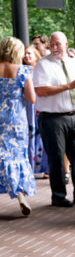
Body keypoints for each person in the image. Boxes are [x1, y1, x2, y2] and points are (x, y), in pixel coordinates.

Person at [32, 31, 75, 208]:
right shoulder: (42, 65)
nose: (54, 48)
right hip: (52, 118)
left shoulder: (73, 62)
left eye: (58, 44)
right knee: (57, 159)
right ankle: (58, 196)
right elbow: (41, 91)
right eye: (52, 45)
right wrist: (68, 86)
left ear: (66, 44)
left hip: (74, 116)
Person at [0, 36, 37, 216]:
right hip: (16, 120)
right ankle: (20, 193)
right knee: (17, 155)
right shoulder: (23, 71)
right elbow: (31, 98)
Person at [21, 44, 49, 178]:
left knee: (43, 137)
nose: (26, 56)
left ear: (35, 55)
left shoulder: (41, 69)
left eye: (29, 53)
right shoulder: (21, 71)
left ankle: (46, 168)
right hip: (27, 107)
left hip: (40, 105)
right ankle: (30, 167)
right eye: (25, 53)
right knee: (30, 136)